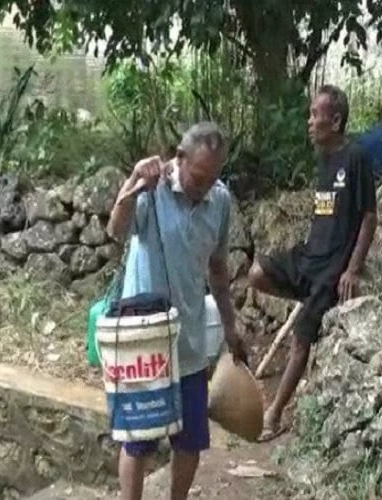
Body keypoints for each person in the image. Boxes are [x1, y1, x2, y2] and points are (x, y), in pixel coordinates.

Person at [106, 121, 248, 500]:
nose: (203, 187)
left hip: (189, 341)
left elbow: (218, 269)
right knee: (138, 439)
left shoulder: (219, 200)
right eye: (198, 177)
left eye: (212, 178)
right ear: (179, 158)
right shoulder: (152, 191)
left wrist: (231, 327)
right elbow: (115, 229)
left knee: (190, 440)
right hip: (144, 340)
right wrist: (135, 177)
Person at [247, 84, 378, 442]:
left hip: (332, 267)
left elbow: (368, 217)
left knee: (300, 338)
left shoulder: (356, 158)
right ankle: (311, 304)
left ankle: (274, 415)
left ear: (334, 120)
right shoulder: (324, 158)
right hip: (308, 255)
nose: (309, 121)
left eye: (314, 114)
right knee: (256, 274)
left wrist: (351, 269)